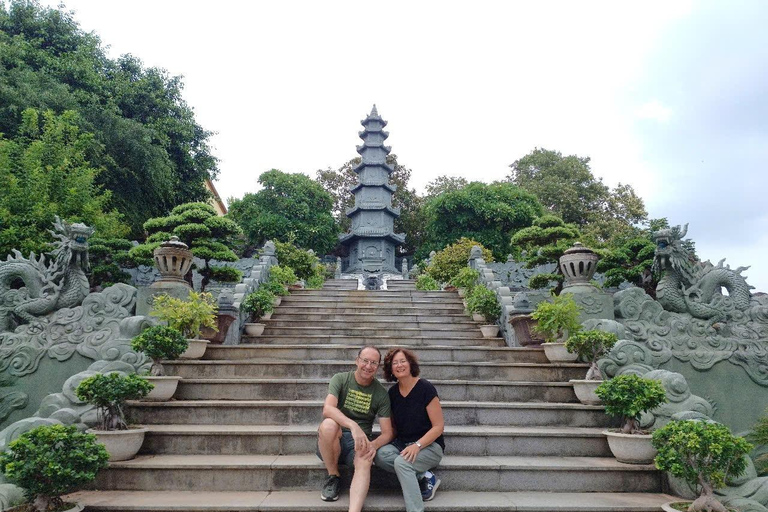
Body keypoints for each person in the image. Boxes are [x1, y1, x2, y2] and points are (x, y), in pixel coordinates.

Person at [317, 345, 394, 511]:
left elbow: (388, 433)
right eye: (365, 361)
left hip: (359, 444)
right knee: (328, 424)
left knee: (365, 460)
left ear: (378, 367)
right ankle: (333, 476)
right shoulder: (341, 379)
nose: (368, 366)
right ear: (356, 361)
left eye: (373, 363)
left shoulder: (380, 393)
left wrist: (373, 445)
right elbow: (328, 409)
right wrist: (353, 425)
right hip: (332, 440)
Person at [374, 347, 445, 512]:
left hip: (430, 446)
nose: (399, 365)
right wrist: (375, 444)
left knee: (402, 463)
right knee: (380, 456)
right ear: (390, 369)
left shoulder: (425, 388)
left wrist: (417, 445)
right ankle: (425, 476)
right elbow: (394, 429)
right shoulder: (392, 394)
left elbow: (438, 427)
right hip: (403, 444)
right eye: (395, 363)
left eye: (402, 361)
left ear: (410, 363)